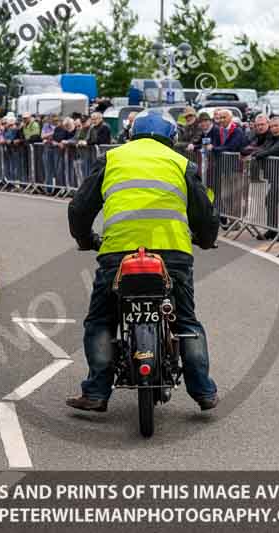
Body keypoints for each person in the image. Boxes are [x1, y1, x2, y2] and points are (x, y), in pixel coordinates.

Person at [66, 110, 220, 412]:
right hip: (172, 253)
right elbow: (204, 211)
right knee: (185, 320)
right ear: (171, 138)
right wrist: (205, 238)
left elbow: (80, 208)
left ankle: (97, 391)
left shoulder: (112, 158)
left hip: (118, 252)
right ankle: (202, 390)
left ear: (130, 133)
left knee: (101, 319)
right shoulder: (182, 163)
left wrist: (85, 240)